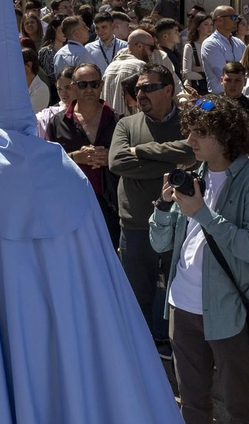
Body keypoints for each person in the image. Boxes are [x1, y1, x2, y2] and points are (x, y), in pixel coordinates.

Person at [148, 95, 249, 424]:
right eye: (189, 131)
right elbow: (159, 242)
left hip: (229, 312)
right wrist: (166, 207)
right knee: (192, 399)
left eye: (199, 133)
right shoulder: (193, 175)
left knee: (240, 404)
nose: (189, 140)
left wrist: (202, 212)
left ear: (226, 136)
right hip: (182, 308)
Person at [109, 65, 193, 358]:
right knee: (137, 294)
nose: (140, 94)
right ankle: (139, 353)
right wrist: (172, 161)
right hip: (136, 224)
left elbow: (194, 151)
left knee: (175, 290)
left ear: (168, 90)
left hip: (179, 221)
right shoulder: (127, 125)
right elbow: (117, 162)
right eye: (138, 89)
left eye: (148, 88)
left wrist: (141, 151)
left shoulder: (188, 121)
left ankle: (172, 346)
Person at [49, 64, 119, 240]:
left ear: (101, 85)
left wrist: (110, 157)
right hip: (71, 205)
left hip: (111, 205)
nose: (89, 89)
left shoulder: (119, 121)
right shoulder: (57, 123)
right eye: (82, 85)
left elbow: (131, 160)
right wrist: (74, 157)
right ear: (73, 87)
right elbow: (47, 164)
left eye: (94, 84)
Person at [200, 6, 246, 90]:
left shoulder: (239, 43)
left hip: (240, 95)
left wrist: (230, 64)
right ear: (220, 19)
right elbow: (224, 73)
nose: (236, 20)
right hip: (220, 97)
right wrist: (241, 66)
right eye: (233, 17)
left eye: (237, 17)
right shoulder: (210, 43)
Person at [181, 12, 212, 95]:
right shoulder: (190, 46)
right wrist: (203, 75)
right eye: (206, 24)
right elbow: (187, 73)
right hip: (198, 89)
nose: (210, 27)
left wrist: (198, 69)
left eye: (211, 24)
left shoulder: (213, 45)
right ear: (198, 26)